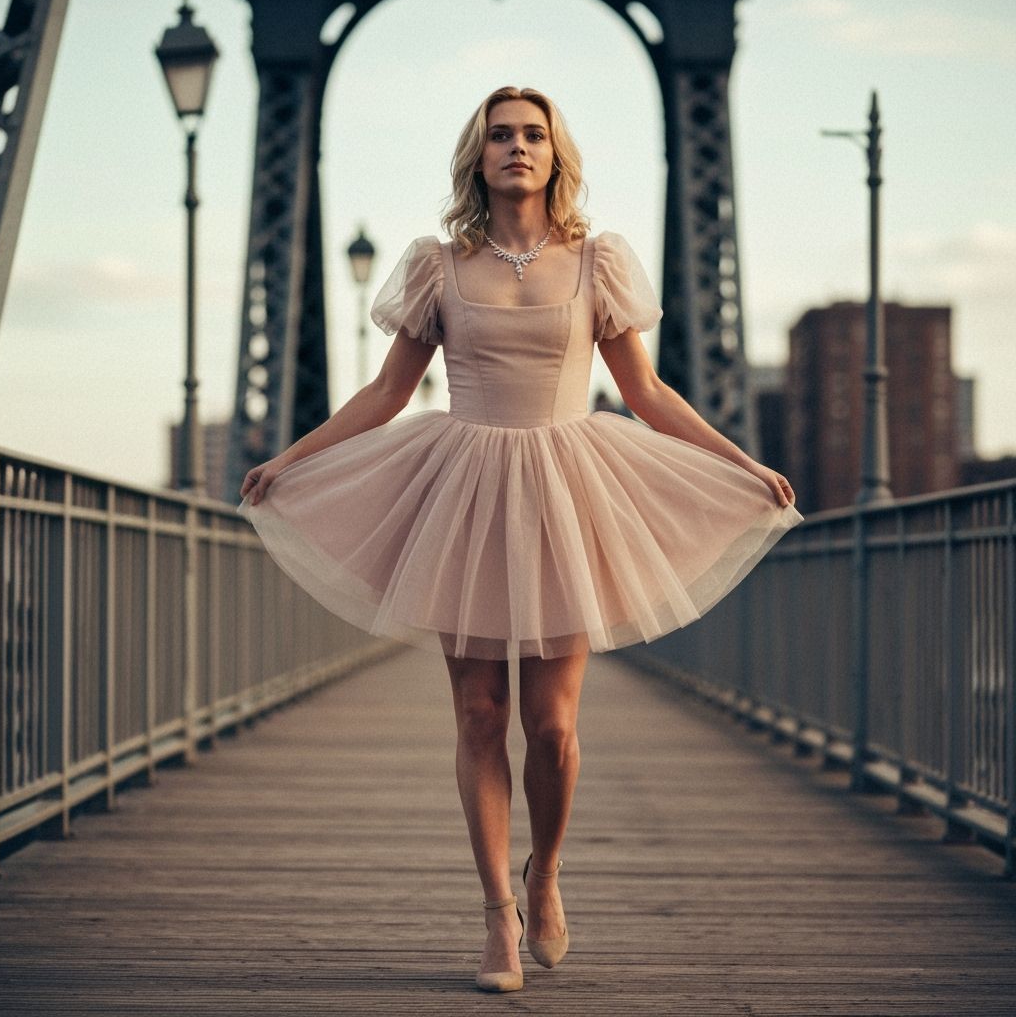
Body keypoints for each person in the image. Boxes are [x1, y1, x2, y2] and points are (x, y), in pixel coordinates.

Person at [237, 85, 802, 993]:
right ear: (479, 155)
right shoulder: (439, 267)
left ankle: (548, 870)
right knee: (478, 715)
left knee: (555, 728)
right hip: (463, 494)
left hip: (564, 496)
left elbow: (648, 395)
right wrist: (289, 462)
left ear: (555, 153)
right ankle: (497, 915)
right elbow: (386, 395)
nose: (517, 147)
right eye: (500, 135)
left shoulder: (595, 262)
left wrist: (740, 463)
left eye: (533, 134)